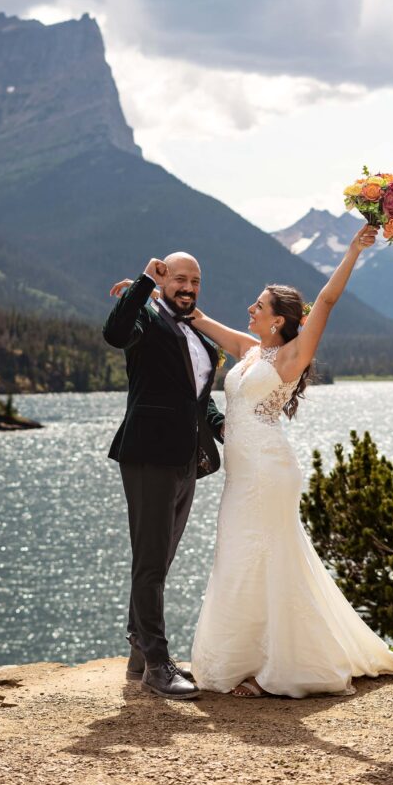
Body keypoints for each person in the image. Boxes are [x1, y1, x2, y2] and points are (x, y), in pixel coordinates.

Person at [186, 220, 393, 697]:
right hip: (243, 475)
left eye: (258, 306)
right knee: (239, 556)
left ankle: (272, 669)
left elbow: (325, 302)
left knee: (265, 557)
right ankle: (249, 659)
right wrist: (149, 290)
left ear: (278, 318)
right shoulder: (250, 350)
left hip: (269, 471)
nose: (250, 309)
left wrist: (352, 251)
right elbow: (197, 318)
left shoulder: (290, 357)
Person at [103, 252, 224, 700]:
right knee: (150, 562)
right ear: (162, 278)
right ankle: (157, 664)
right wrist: (141, 284)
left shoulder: (194, 330)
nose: (187, 286)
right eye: (178, 278)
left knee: (162, 559)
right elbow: (114, 333)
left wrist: (220, 425)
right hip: (148, 454)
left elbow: (196, 397)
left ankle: (140, 648)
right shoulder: (145, 318)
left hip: (187, 459)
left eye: (195, 279)